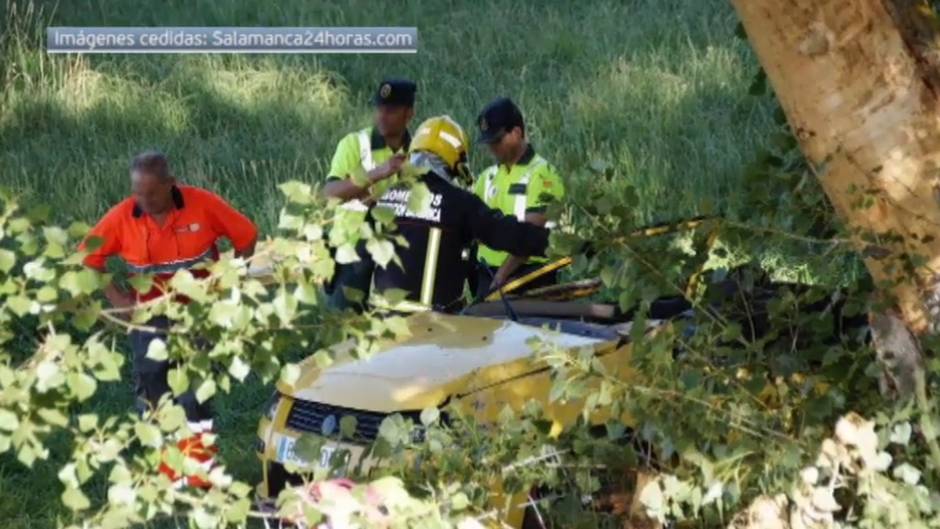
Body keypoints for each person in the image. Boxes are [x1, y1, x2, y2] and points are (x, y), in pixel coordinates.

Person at [80, 150, 258, 487]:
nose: (143, 200)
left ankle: (200, 473)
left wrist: (234, 280)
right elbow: (88, 258)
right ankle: (166, 474)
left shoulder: (202, 204)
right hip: (148, 317)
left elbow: (247, 236)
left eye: (150, 193)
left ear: (170, 185)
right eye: (137, 192)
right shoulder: (122, 216)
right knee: (154, 391)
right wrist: (118, 299)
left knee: (193, 394)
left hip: (199, 314)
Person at [371, 116, 550, 312]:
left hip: (381, 322)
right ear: (454, 162)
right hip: (431, 327)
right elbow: (506, 234)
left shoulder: (387, 197)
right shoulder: (457, 202)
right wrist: (556, 243)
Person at [323, 78, 417, 311]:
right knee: (345, 339)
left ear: (409, 114)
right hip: (351, 257)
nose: (382, 115)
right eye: (380, 108)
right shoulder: (355, 144)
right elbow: (329, 194)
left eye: (391, 110)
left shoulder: (418, 153)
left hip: (398, 259)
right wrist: (379, 172)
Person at [472, 97, 565, 299]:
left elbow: (532, 233)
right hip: (488, 276)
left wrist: (502, 275)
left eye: (496, 141)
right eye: (489, 142)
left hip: (529, 277)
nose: (492, 148)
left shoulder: (543, 174)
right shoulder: (486, 177)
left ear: (516, 133)